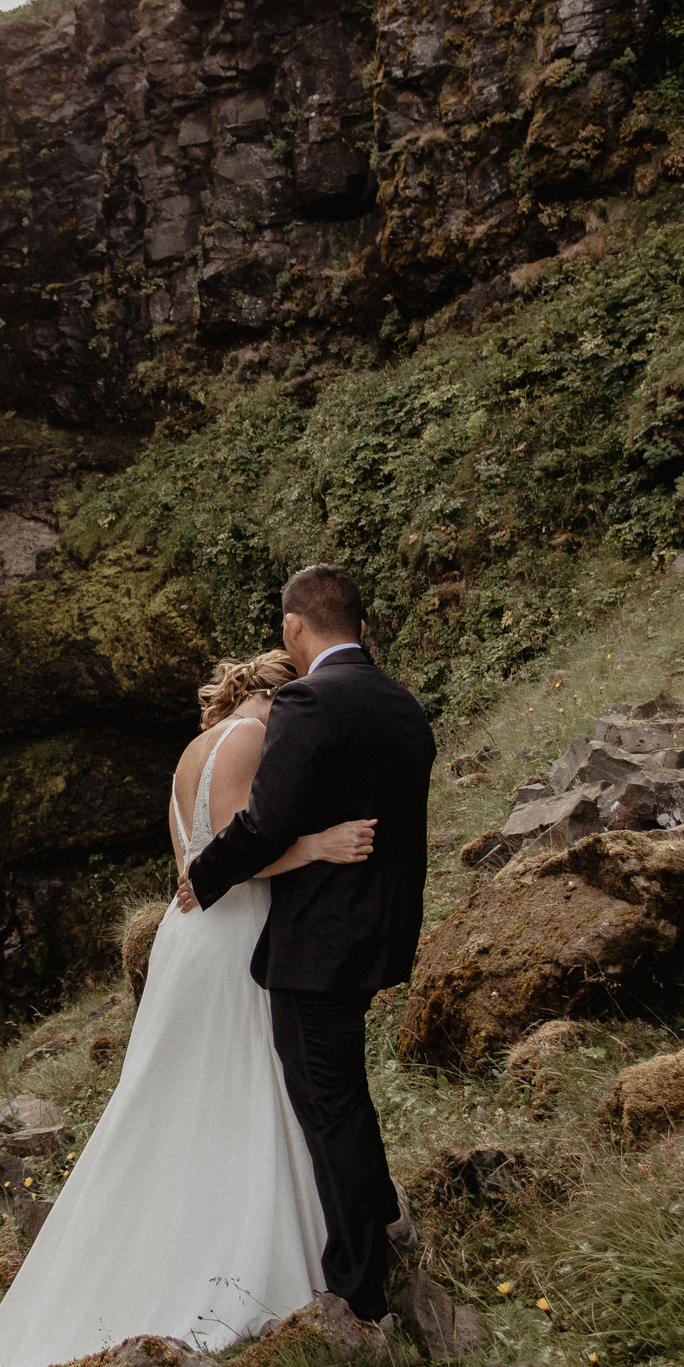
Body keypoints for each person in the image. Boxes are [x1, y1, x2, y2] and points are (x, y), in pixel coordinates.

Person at [0, 649, 377, 1367]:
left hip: (189, 942)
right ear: (278, 697)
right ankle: (241, 1246)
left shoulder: (191, 751)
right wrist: (317, 846)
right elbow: (230, 860)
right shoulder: (250, 740)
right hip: (231, 940)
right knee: (241, 1088)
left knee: (189, 1099)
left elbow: (186, 869)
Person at [182, 563, 436, 1322]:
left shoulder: (307, 699)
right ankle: (384, 1228)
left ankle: (360, 1287)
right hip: (377, 932)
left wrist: (207, 872)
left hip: (316, 945)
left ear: (295, 625)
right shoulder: (402, 703)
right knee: (342, 1097)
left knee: (329, 1107)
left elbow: (265, 821)